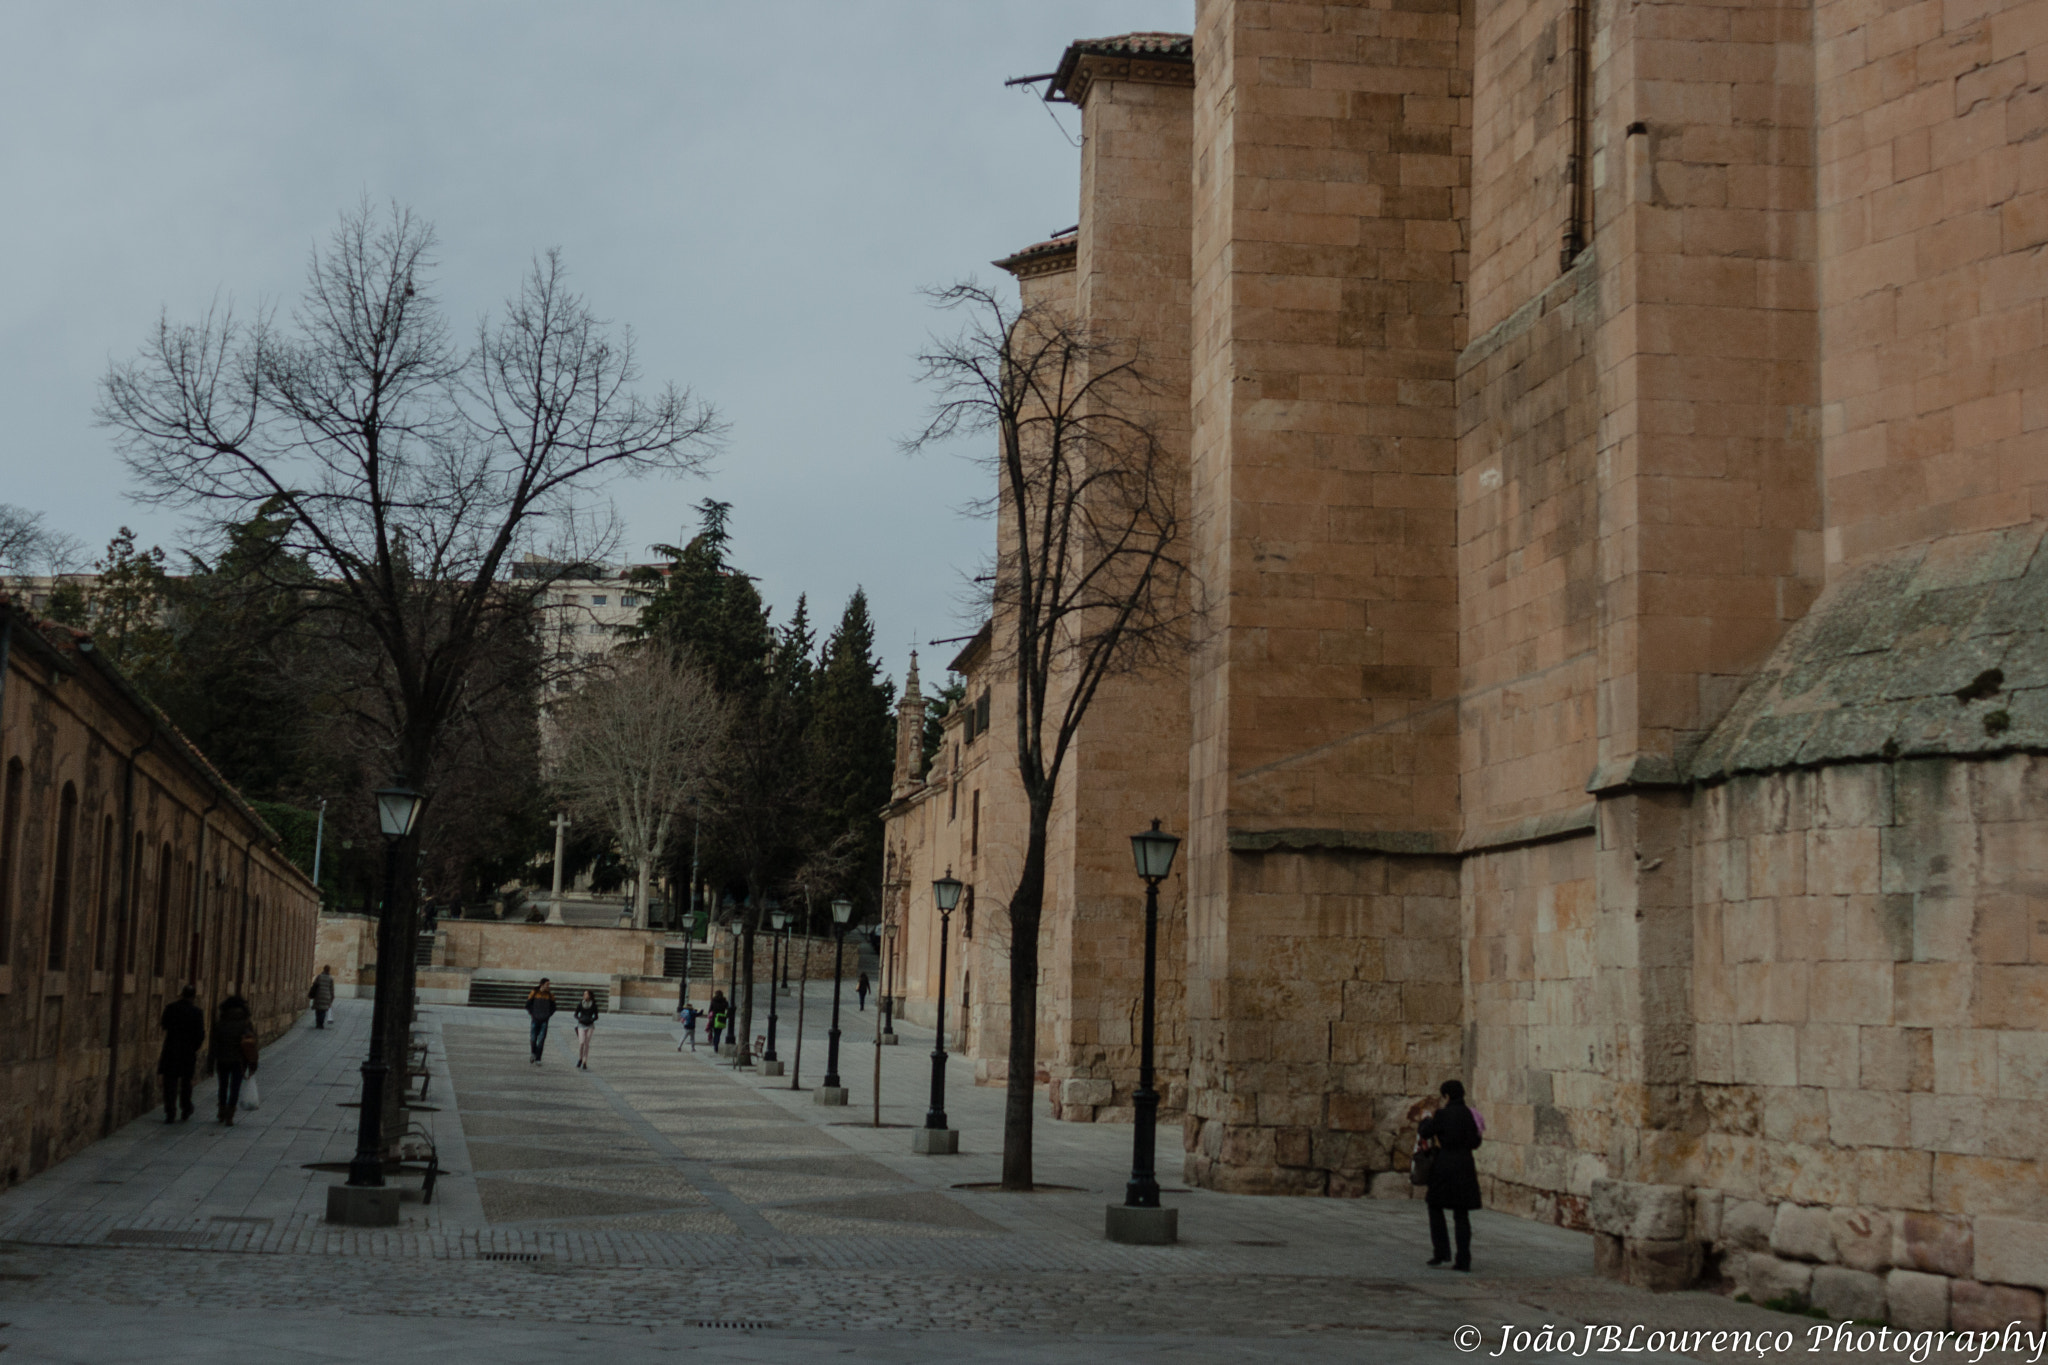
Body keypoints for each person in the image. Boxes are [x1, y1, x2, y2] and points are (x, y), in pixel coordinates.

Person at [1417, 1079, 1483, 1271]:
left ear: (1446, 1096)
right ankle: (1463, 1259)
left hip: (1445, 1165)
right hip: (1465, 1165)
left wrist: (1426, 1120)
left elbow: (1426, 1132)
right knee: (1461, 1214)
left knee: (1435, 1206)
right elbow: (1475, 1142)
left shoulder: (1443, 1115)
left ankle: (1441, 1252)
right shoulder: (1471, 1115)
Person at [157, 985, 206, 1123]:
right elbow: (200, 1034)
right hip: (188, 1052)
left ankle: (170, 1111)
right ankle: (185, 1108)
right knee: (186, 1082)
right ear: (193, 997)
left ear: (182, 994)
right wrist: (194, 1047)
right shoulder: (197, 1012)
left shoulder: (171, 1008)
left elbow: (164, 1025)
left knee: (170, 1083)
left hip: (171, 1049)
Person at [208, 994, 257, 1126]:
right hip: (239, 1061)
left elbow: (214, 1044)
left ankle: (221, 1111)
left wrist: (210, 1063)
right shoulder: (246, 1024)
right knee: (235, 1087)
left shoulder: (220, 1023)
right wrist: (253, 1064)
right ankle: (230, 1115)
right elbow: (252, 1044)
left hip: (222, 1059)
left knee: (222, 1086)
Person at [525, 979, 557, 1064]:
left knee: (541, 1039)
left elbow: (554, 1007)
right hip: (535, 1019)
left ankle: (538, 1058)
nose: (548, 986)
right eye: (547, 984)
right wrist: (533, 1013)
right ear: (542, 984)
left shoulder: (550, 995)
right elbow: (528, 1004)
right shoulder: (534, 993)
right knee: (533, 1038)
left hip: (544, 1020)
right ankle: (533, 1053)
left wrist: (548, 1015)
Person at [572, 990, 599, 1070]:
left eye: (586, 994)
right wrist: (579, 1019)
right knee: (581, 1042)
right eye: (584, 994)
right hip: (581, 1024)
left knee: (587, 1043)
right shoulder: (581, 1004)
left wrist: (592, 1019)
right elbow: (575, 1014)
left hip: (590, 1025)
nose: (584, 996)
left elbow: (596, 1016)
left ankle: (585, 1061)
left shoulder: (593, 1005)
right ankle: (580, 1058)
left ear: (590, 996)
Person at [309, 965, 336, 1029]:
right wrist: (332, 997)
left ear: (323, 969)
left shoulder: (319, 977)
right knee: (323, 1010)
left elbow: (314, 985)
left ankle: (318, 1023)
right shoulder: (330, 978)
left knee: (318, 1010)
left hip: (318, 995)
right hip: (326, 996)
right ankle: (321, 1024)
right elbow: (331, 989)